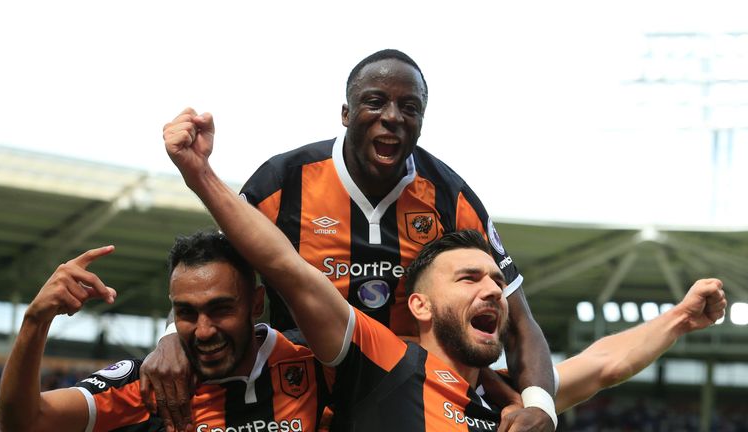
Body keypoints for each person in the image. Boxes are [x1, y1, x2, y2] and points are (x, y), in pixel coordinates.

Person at [162, 120, 728, 431]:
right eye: (467, 279)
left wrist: (679, 318)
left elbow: (602, 365)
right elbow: (286, 267)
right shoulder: (382, 365)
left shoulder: (507, 401)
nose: (491, 289)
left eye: (492, 279)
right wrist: (200, 174)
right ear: (420, 306)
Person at [146, 48, 557, 431]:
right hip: (299, 398)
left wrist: (541, 405)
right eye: (376, 102)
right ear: (346, 112)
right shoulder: (283, 182)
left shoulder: (451, 197)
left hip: (407, 400)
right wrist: (170, 340)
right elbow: (208, 279)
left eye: (410, 107)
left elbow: (519, 322)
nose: (393, 116)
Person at [0, 232, 330, 432]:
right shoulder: (151, 385)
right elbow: (24, 423)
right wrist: (35, 321)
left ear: (256, 304)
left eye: (221, 309)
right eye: (186, 312)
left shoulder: (318, 362)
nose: (203, 331)